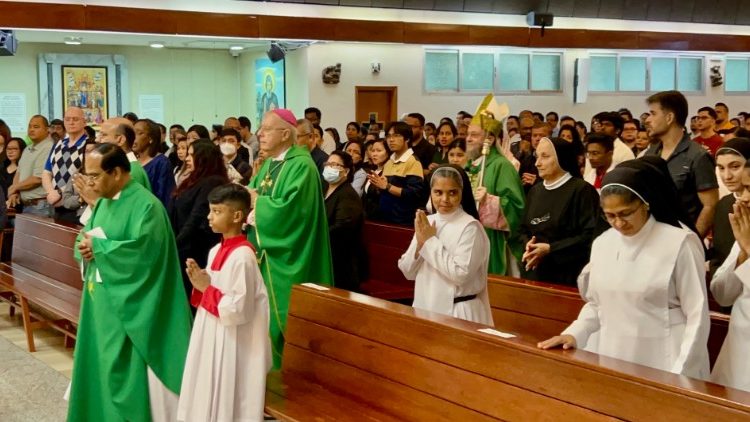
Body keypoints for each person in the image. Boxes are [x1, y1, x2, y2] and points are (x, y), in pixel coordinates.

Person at [538, 158, 711, 381]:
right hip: (612, 353)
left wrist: (682, 372)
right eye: (610, 216)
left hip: (666, 358)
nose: (618, 224)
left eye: (625, 213)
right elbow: (598, 302)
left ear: (645, 204)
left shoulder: (679, 242)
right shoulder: (604, 242)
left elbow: (697, 314)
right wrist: (575, 332)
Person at [69, 143, 192, 421]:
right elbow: (85, 237)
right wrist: (86, 248)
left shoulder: (147, 206)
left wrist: (99, 249)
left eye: (94, 176)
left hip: (130, 305)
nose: (89, 183)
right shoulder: (102, 203)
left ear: (115, 172)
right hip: (100, 301)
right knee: (99, 363)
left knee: (121, 369)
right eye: (86, 176)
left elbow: (146, 255)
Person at [247, 109, 333, 369]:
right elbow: (254, 193)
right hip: (265, 256)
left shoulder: (301, 165)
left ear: (285, 134)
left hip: (289, 257)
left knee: (281, 320)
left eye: (266, 129)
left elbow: (292, 212)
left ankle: (285, 382)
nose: (259, 134)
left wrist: (256, 204)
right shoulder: (272, 162)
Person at [177, 184, 272, 421]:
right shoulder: (216, 249)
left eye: (217, 211)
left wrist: (206, 288)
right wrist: (201, 283)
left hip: (233, 342)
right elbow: (214, 291)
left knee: (226, 400)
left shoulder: (243, 257)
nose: (209, 216)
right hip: (210, 333)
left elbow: (239, 309)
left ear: (237, 216)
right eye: (210, 210)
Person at [398, 165, 492, 325]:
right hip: (425, 308)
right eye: (438, 192)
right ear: (431, 192)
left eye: (452, 193)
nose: (445, 199)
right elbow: (408, 272)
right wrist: (420, 245)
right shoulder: (427, 221)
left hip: (459, 311)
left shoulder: (470, 227)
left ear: (462, 193)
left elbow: (460, 274)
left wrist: (429, 242)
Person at [520, 137, 605, 287]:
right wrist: (529, 246)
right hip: (535, 270)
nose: (537, 163)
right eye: (537, 156)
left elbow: (591, 235)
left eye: (545, 157)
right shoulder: (535, 191)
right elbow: (524, 228)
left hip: (567, 274)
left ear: (562, 158)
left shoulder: (582, 191)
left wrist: (551, 249)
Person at [645, 91, 719, 238]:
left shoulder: (698, 156)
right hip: (653, 236)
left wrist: (693, 240)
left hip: (683, 237)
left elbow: (710, 205)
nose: (647, 120)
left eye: (653, 114)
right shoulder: (651, 154)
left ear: (669, 117)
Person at [465, 115, 525, 276]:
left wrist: (488, 201)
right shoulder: (469, 166)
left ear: (490, 139)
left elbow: (516, 207)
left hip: (492, 239)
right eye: (468, 134)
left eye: (474, 135)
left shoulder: (502, 166)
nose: (468, 139)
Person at [169, 140, 229, 301]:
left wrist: (174, 245)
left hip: (196, 248)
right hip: (184, 245)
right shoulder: (193, 179)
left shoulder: (212, 181)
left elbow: (196, 218)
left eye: (191, 155)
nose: (187, 159)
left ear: (203, 158)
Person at [710, 160, 750, 392]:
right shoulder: (746, 228)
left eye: (749, 189)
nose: (743, 198)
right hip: (737, 351)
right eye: (742, 190)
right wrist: (742, 255)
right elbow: (723, 295)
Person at [366, 121, 425, 225]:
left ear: (407, 138)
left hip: (402, 221)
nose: (391, 140)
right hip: (384, 218)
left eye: (396, 135)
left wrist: (388, 186)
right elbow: (384, 189)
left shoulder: (413, 161)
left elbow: (414, 194)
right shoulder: (389, 161)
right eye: (388, 136)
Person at [324, 151, 364, 291]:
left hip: (341, 261)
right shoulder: (323, 190)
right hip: (326, 255)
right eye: (327, 164)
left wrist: (317, 235)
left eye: (334, 165)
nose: (329, 168)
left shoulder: (348, 195)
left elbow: (342, 228)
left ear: (346, 171)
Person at [710, 138, 750, 275]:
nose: (727, 176)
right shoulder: (723, 204)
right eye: (721, 168)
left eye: (735, 166)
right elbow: (719, 253)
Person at [43, 106, 88, 222]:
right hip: (54, 202)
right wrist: (50, 192)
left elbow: (85, 175)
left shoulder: (89, 145)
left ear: (84, 122)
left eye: (75, 119)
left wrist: (59, 192)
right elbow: (47, 172)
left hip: (76, 203)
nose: (71, 122)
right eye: (67, 119)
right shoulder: (58, 144)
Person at [7, 115, 54, 216]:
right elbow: (18, 173)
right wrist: (15, 191)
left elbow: (38, 178)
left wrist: (14, 187)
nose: (31, 130)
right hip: (26, 205)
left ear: (47, 129)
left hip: (41, 205)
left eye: (36, 127)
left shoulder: (49, 147)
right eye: (30, 126)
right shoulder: (27, 149)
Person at [136, 119, 175, 208]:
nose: (134, 137)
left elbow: (165, 197)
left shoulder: (162, 162)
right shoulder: (132, 161)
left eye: (139, 133)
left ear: (151, 138)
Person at [362, 138, 391, 219]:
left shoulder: (389, 173)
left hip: (381, 218)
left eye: (379, 151)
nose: (374, 154)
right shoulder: (373, 171)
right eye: (373, 150)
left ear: (388, 152)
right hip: (367, 216)